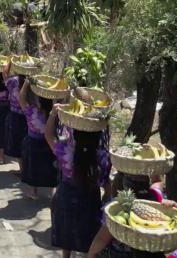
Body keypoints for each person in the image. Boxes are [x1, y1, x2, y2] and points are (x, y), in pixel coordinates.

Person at [45, 107, 111, 258]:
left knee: (67, 233)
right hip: (90, 203)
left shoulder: (65, 151)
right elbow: (107, 186)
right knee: (88, 238)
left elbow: (48, 134)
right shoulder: (102, 157)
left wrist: (53, 113)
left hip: (66, 199)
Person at [87, 173, 177, 258]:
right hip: (152, 252)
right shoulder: (157, 199)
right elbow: (157, 184)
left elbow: (102, 239)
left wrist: (91, 255)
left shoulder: (118, 209)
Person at [19, 81, 58, 199]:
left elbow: (21, 99)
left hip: (33, 143)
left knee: (33, 167)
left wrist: (26, 84)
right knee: (50, 167)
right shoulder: (55, 116)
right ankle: (51, 191)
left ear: (38, 100)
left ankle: (34, 191)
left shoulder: (32, 112)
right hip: (49, 145)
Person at [4, 73, 28, 166]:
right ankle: (24, 169)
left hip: (15, 115)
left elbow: (5, 75)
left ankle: (21, 169)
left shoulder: (12, 81)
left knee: (17, 142)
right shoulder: (34, 85)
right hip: (29, 118)